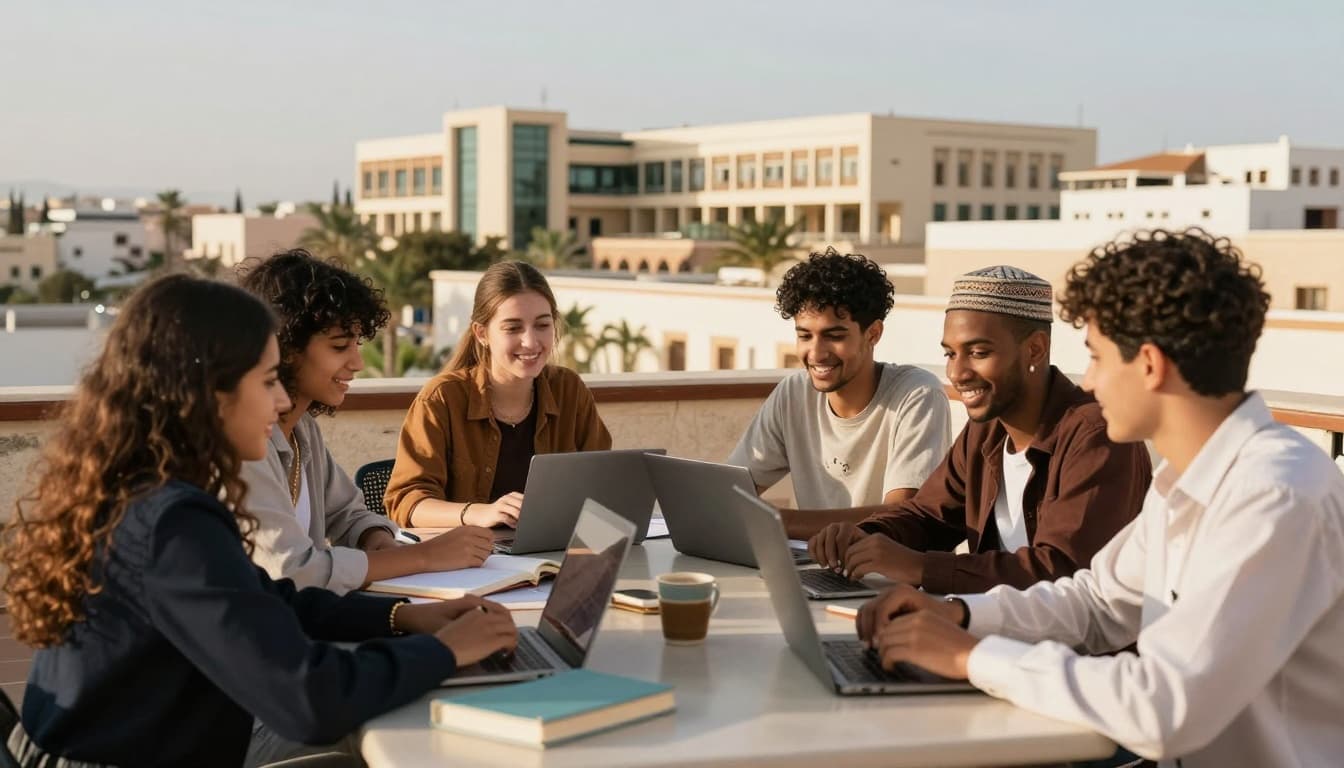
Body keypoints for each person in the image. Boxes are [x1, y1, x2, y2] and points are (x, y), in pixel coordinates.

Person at [856, 229, 1344, 766]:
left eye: (1096, 357)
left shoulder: (1276, 495)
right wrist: (959, 616)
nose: (1088, 380)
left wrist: (975, 658)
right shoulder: (1187, 483)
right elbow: (1096, 602)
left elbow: (1166, 708)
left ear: (1150, 365)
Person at [0, 275, 517, 767]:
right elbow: (309, 700)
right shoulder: (170, 523)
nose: (283, 399)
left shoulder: (143, 489)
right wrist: (443, 652)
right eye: (268, 380)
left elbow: (268, 599)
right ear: (208, 391)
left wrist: (401, 618)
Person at [810, 265, 1150, 595]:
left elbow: (1063, 572)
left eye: (978, 352)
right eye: (950, 353)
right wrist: (865, 537)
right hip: (994, 636)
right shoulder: (986, 429)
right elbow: (928, 516)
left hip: (1074, 652)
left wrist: (922, 568)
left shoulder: (1095, 435)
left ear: (1035, 348)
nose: (957, 373)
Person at [238, 251, 492, 594]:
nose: (357, 362)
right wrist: (424, 557)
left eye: (356, 344)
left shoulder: (303, 430)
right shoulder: (246, 444)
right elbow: (291, 571)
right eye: (340, 346)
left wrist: (380, 543)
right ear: (286, 345)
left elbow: (349, 514)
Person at [727, 249, 953, 540]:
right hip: (814, 568)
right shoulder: (793, 394)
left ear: (873, 334)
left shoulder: (917, 394)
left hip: (887, 577)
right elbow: (731, 494)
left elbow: (902, 517)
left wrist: (774, 521)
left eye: (834, 336)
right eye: (805, 336)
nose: (817, 354)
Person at [385, 260, 611, 528]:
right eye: (513, 328)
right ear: (482, 334)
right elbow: (407, 503)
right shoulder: (442, 399)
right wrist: (479, 513)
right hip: (471, 561)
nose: (530, 342)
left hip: (552, 556)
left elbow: (603, 484)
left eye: (542, 325)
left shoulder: (568, 389)